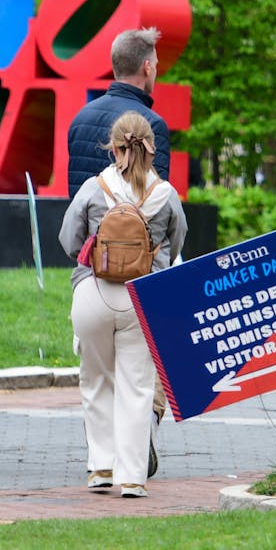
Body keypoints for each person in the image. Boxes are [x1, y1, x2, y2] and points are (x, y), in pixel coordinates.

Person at [58, 112, 186, 499]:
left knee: (96, 380)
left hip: (94, 292)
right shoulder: (166, 194)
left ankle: (100, 467)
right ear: (152, 149)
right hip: (142, 297)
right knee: (137, 385)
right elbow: (177, 243)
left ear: (112, 148)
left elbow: (68, 239)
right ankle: (132, 477)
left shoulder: (94, 188)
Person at [66, 28, 170, 197]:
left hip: (85, 223)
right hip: (132, 223)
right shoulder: (152, 125)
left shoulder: (81, 118)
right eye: (156, 65)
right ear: (147, 67)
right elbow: (157, 200)